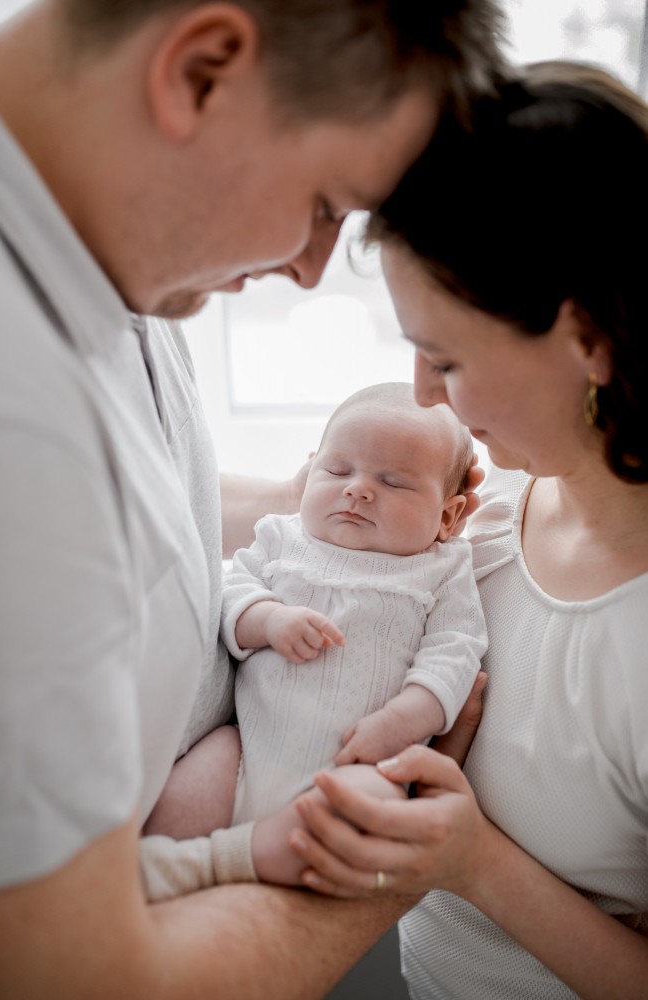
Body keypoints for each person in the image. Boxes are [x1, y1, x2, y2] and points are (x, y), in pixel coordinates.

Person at [0, 0, 507, 995]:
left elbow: (128, 508)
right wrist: (391, 869)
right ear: (203, 72)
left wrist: (345, 517)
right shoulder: (6, 404)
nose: (312, 268)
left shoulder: (111, 260)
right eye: (323, 201)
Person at [284, 61, 648, 999]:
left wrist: (476, 862)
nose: (422, 392)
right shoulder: (483, 514)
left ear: (588, 340)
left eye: (445, 356)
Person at [139, 385, 486, 897]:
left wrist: (406, 717)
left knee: (364, 826)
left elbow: (457, 647)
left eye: (394, 483)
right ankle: (185, 856)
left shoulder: (442, 567)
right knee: (176, 802)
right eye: (338, 471)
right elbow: (232, 588)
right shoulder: (281, 536)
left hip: (358, 762)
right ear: (309, 470)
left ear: (449, 516)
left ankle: (209, 863)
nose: (359, 490)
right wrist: (267, 619)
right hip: (248, 747)